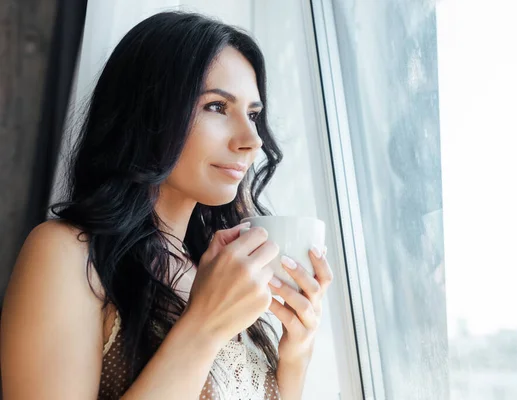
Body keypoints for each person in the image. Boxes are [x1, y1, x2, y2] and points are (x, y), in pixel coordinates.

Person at [0, 11, 333, 400]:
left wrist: (296, 356)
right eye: (217, 107)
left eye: (254, 115)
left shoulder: (214, 268)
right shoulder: (68, 255)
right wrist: (203, 326)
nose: (252, 139)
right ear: (149, 111)